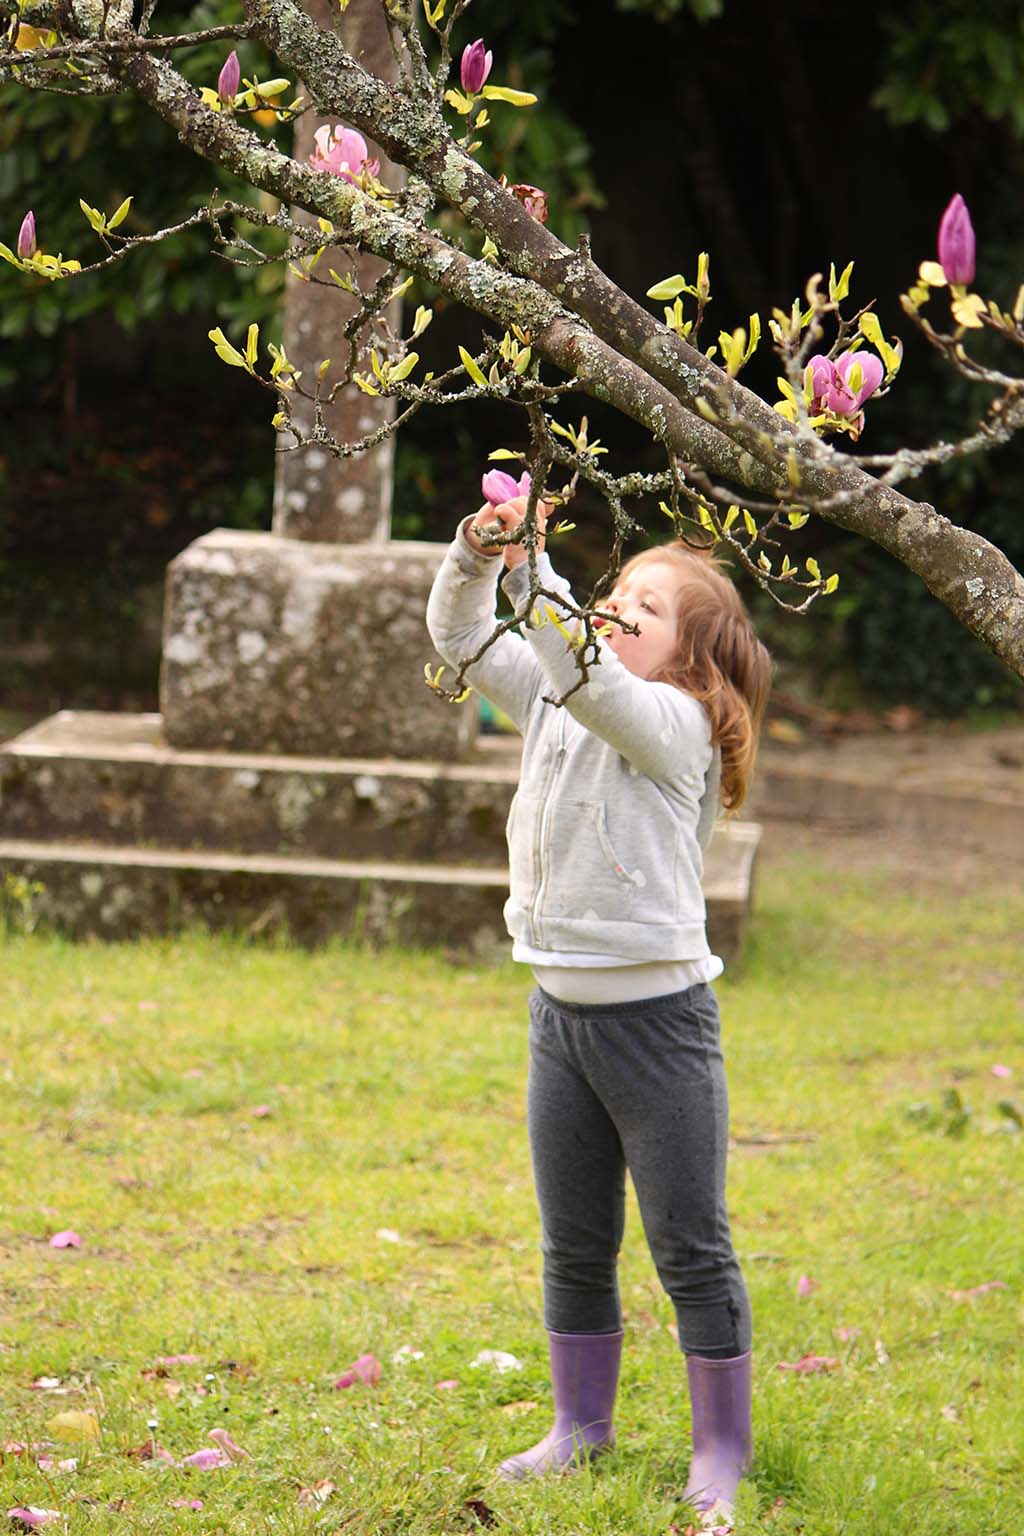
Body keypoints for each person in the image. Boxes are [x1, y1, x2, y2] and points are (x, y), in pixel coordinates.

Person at [425, 487, 772, 1528]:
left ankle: (721, 1448)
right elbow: (459, 633)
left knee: (688, 1246)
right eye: (615, 592)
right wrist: (482, 552)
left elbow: (581, 667)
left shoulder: (674, 725)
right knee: (573, 1243)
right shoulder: (556, 685)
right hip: (558, 1020)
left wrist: (542, 575)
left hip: (658, 1029)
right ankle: (581, 1425)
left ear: (690, 659)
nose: (617, 611)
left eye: (645, 608)